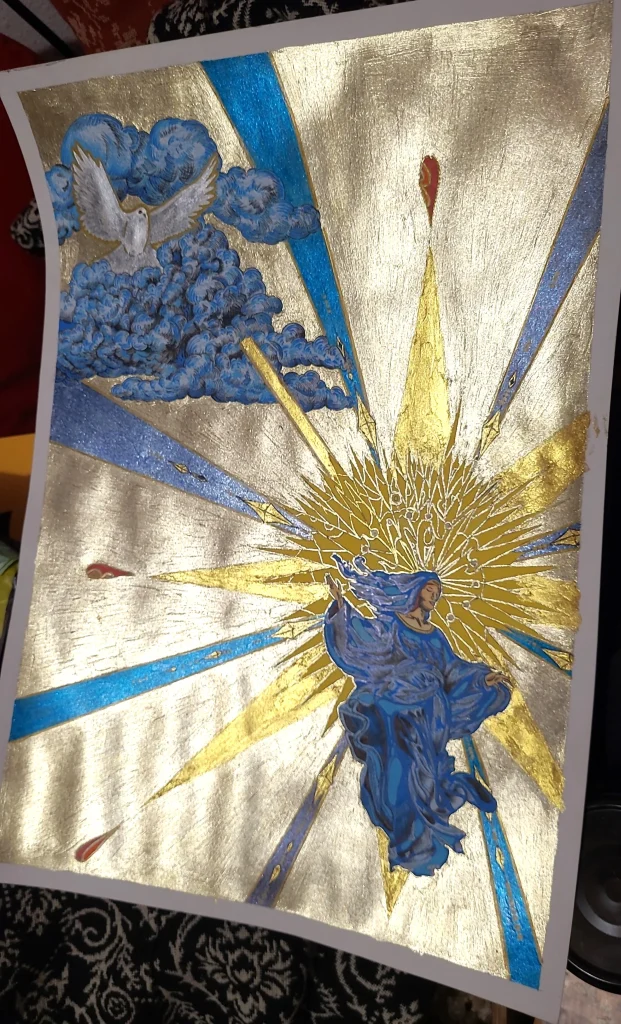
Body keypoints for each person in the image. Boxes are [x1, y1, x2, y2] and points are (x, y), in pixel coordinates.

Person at [324, 556, 511, 876]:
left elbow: (452, 670)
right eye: (430, 589)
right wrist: (341, 610)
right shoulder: (393, 625)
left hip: (430, 712)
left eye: (438, 592)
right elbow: (366, 638)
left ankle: (428, 819)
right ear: (415, 590)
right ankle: (411, 835)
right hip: (396, 707)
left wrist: (482, 680)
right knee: (399, 768)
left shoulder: (435, 636)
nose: (434, 595)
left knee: (424, 772)